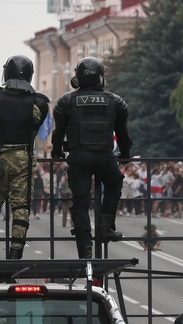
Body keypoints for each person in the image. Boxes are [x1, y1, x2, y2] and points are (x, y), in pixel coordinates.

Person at [50, 56, 132, 259]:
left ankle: (85, 250)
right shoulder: (115, 101)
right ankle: (106, 227)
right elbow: (122, 133)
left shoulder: (67, 101)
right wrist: (125, 154)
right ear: (100, 77)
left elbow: (59, 131)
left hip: (79, 158)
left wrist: (57, 150)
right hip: (105, 158)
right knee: (114, 183)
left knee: (80, 203)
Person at [0, 55, 50, 260]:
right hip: (22, 158)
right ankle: (15, 254)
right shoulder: (39, 102)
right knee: (21, 208)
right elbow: (35, 127)